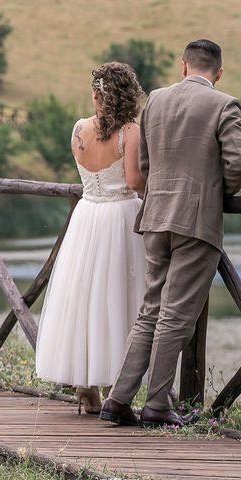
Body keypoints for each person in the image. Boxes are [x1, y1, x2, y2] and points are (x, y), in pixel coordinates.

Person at [101, 39, 241, 428]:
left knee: (150, 311)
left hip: (155, 216)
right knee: (176, 316)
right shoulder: (225, 105)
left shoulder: (156, 101)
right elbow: (237, 165)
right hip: (196, 222)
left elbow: (144, 164)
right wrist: (216, 193)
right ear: (218, 72)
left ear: (183, 67)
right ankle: (158, 405)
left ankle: (118, 399)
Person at [35, 62, 146, 414]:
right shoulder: (130, 132)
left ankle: (86, 385)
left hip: (86, 216)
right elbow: (133, 182)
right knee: (119, 298)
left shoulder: (79, 130)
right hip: (120, 217)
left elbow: (88, 175)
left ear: (98, 94)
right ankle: (117, 385)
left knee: (83, 296)